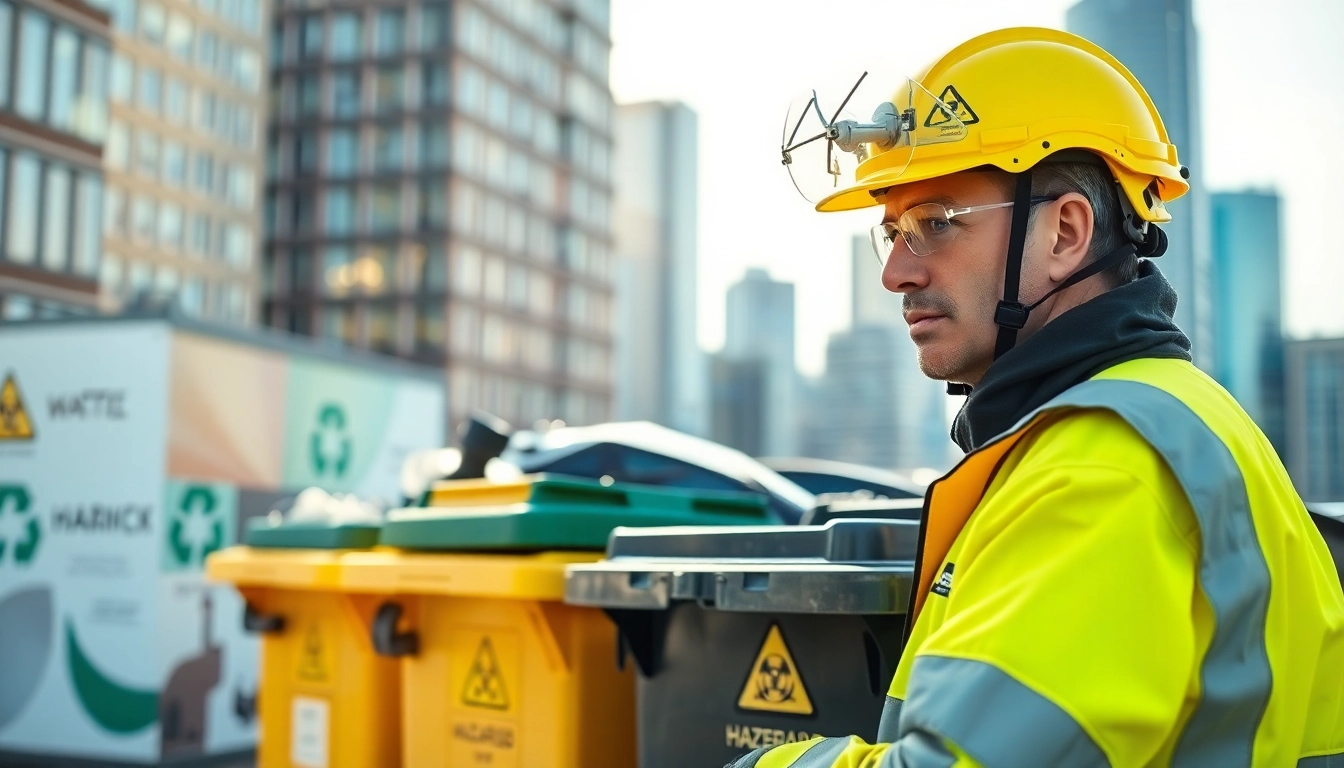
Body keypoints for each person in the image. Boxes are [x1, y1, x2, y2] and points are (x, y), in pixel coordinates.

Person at [731, 27, 1344, 768]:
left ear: (1066, 234)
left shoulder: (1105, 468)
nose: (895, 272)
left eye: (934, 224)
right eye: (891, 232)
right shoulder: (1146, 421)